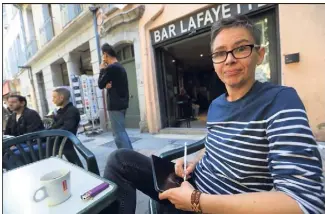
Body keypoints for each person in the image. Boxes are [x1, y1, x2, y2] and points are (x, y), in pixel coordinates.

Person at [100, 15, 325, 214]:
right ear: (214, 62)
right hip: (189, 185)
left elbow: (304, 202)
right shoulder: (217, 105)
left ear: (260, 54)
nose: (229, 59)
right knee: (120, 160)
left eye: (240, 48)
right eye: (220, 53)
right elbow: (216, 144)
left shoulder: (280, 101)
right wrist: (193, 160)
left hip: (211, 205)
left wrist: (197, 201)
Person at [98, 43, 133, 149]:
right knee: (121, 131)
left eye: (103, 55)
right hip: (122, 104)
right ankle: (131, 154)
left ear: (105, 55)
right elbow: (106, 84)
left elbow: (100, 84)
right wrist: (106, 84)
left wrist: (102, 69)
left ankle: (127, 158)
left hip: (114, 105)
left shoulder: (111, 68)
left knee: (118, 134)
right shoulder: (120, 67)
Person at [51, 87, 83, 166]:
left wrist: (49, 134)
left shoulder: (71, 110)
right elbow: (57, 125)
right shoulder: (61, 110)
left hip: (63, 141)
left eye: (54, 97)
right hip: (58, 140)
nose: (53, 100)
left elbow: (67, 128)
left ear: (61, 98)